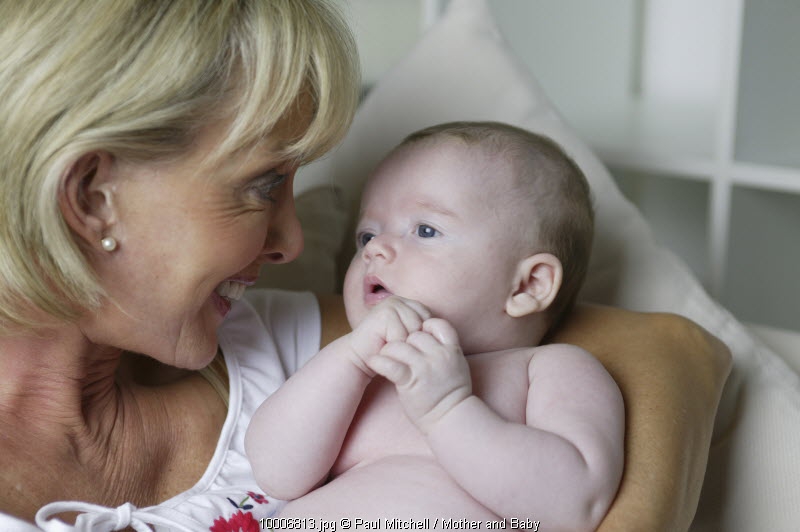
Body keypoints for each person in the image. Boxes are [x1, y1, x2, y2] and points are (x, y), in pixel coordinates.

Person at [0, 1, 730, 531]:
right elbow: (280, 463)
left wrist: (453, 409)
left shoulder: (279, 342)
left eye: (424, 230)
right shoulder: (344, 364)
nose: (294, 243)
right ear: (91, 198)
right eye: (261, 184)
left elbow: (674, 349)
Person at [245, 122, 624, 530]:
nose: (375, 249)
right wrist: (349, 358)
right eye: (366, 235)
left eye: (425, 230)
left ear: (527, 285)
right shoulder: (360, 375)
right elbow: (275, 473)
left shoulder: (548, 370)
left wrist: (449, 411)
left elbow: (574, 505)